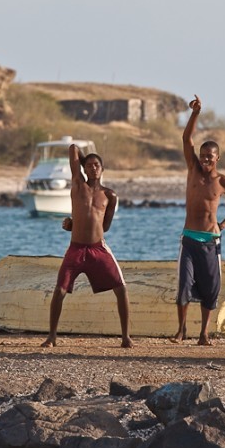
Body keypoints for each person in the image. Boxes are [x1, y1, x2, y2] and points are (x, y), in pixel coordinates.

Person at [41, 145, 133, 349]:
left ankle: (126, 337)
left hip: (98, 249)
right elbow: (73, 149)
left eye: (97, 165)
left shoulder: (110, 195)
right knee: (60, 290)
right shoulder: (78, 185)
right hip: (76, 249)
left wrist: (77, 224)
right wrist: (73, 226)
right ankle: (52, 336)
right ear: (83, 168)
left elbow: (105, 226)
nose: (93, 168)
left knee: (121, 289)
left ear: (102, 169)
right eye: (89, 165)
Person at [172, 95, 225, 346]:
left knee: (210, 288)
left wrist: (224, 224)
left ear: (217, 158)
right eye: (202, 155)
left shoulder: (223, 182)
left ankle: (203, 334)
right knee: (183, 286)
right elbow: (186, 139)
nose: (204, 160)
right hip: (189, 239)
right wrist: (195, 113)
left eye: (209, 157)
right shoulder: (192, 169)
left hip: (211, 241)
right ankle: (180, 332)